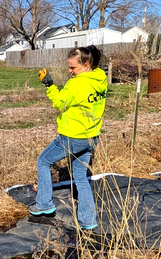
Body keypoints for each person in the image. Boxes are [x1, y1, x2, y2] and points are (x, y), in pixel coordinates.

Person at [32, 45, 107, 231]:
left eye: (73, 67)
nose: (69, 71)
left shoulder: (77, 83)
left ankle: (44, 205)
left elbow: (59, 102)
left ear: (86, 64)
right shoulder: (100, 79)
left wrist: (49, 85)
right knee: (81, 176)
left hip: (72, 137)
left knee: (43, 161)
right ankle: (87, 221)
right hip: (91, 137)